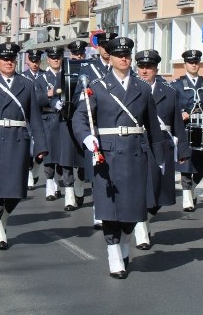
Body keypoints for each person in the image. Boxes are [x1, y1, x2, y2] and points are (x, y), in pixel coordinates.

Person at [72, 36, 165, 279]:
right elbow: (80, 118)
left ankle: (124, 244)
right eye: (118, 55)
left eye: (127, 55)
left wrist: (161, 160)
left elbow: (153, 128)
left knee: (133, 210)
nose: (124, 59)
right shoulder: (96, 86)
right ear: (110, 58)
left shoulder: (142, 88)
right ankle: (114, 253)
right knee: (111, 210)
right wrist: (87, 139)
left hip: (136, 154)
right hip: (108, 155)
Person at [0, 42, 48, 250]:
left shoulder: (27, 84)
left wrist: (41, 145)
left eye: (12, 60)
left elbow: (35, 118)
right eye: (4, 59)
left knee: (15, 190)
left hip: (18, 139)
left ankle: (2, 219)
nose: (8, 63)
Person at [134, 49, 188, 250]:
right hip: (138, 145)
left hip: (162, 146)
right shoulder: (131, 90)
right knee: (141, 189)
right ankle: (141, 230)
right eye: (141, 67)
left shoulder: (170, 92)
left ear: (157, 68)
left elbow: (177, 124)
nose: (144, 71)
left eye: (148, 67)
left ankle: (145, 219)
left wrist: (183, 150)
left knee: (159, 194)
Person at [170, 49, 203, 212]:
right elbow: (172, 106)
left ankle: (193, 187)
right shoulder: (176, 85)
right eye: (190, 62)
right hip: (185, 129)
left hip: (202, 128)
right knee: (186, 164)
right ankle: (187, 195)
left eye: (196, 62)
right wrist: (180, 113)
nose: (193, 65)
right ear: (185, 64)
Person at [43, 46, 85, 212]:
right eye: (75, 54)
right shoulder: (65, 71)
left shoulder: (91, 70)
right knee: (67, 160)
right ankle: (69, 194)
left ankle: (80, 186)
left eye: (81, 53)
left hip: (84, 121)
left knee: (83, 159)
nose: (78, 56)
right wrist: (57, 103)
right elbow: (57, 94)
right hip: (66, 119)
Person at [23, 49, 61, 200]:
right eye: (32, 60)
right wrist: (48, 95)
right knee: (31, 149)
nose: (34, 63)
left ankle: (37, 168)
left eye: (37, 60)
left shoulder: (44, 75)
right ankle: (31, 173)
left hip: (45, 117)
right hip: (30, 115)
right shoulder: (25, 77)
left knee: (43, 151)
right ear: (27, 61)